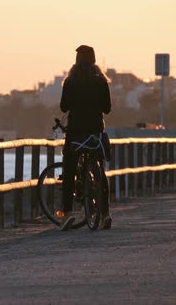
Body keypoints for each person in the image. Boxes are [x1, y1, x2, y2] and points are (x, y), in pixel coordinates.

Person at [59, 45, 112, 230]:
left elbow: (64, 107)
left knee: (69, 171)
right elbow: (107, 108)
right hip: (95, 132)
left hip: (75, 132)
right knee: (100, 171)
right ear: (94, 60)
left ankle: (67, 213)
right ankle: (105, 214)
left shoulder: (70, 81)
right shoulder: (101, 82)